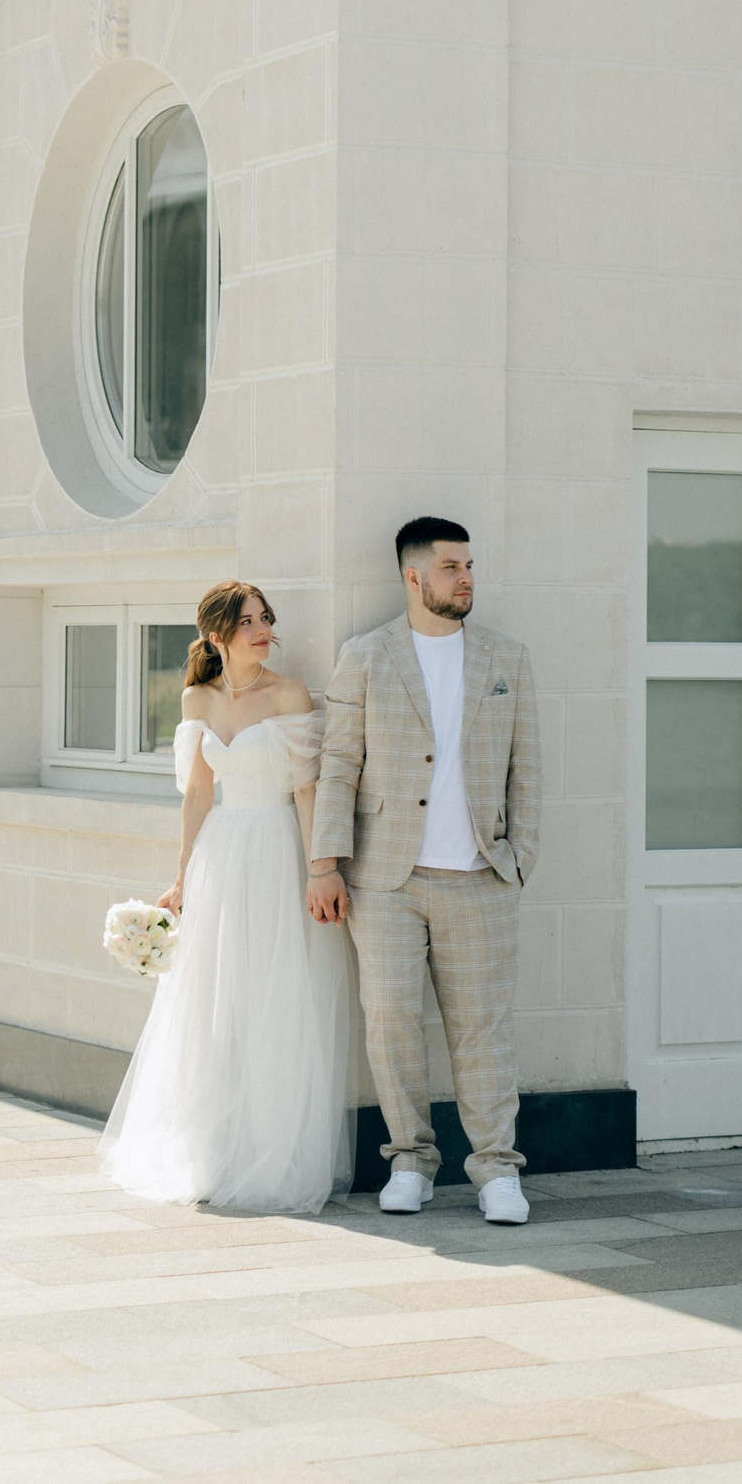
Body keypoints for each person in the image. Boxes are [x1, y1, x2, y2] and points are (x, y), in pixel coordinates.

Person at [307, 517, 542, 1225]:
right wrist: (326, 862)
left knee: (483, 1029)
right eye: (450, 567)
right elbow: (339, 764)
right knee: (391, 1023)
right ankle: (409, 1159)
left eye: (469, 565)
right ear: (414, 577)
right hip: (386, 881)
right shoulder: (368, 656)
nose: (466, 577)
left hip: (480, 875)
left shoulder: (506, 656)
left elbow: (525, 768)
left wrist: (518, 858)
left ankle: (497, 1169)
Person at [98, 581, 356, 1213]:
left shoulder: (288, 693)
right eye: (247, 622)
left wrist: (321, 867)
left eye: (265, 618)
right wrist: (182, 877)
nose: (262, 630)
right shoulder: (196, 699)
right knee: (216, 999)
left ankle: (270, 1153)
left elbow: (306, 791)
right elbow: (196, 795)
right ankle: (212, 1149)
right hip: (220, 857)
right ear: (217, 635)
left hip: (276, 852)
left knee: (273, 994)